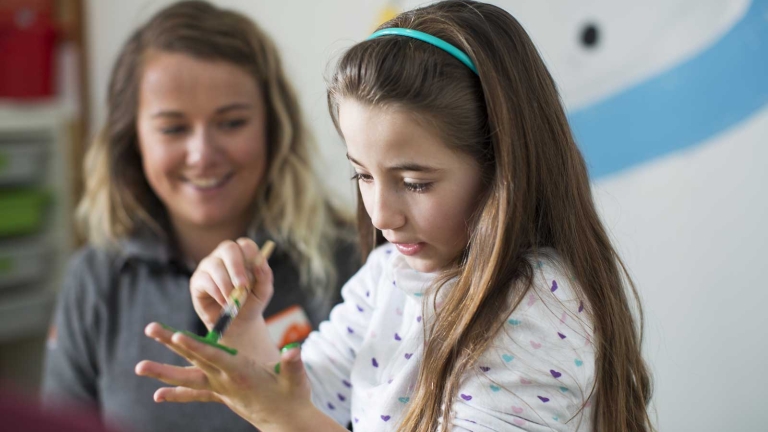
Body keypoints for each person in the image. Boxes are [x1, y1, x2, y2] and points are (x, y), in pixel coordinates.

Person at [136, 1, 654, 431]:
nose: (382, 215)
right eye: (362, 175)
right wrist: (246, 333)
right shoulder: (392, 276)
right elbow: (314, 397)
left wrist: (282, 419)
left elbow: (294, 418)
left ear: (502, 169)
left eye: (415, 183)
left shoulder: (537, 308)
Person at [41, 2, 360, 432]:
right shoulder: (96, 278)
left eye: (231, 123)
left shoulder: (356, 263)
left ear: (272, 127)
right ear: (132, 137)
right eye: (173, 128)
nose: (203, 155)